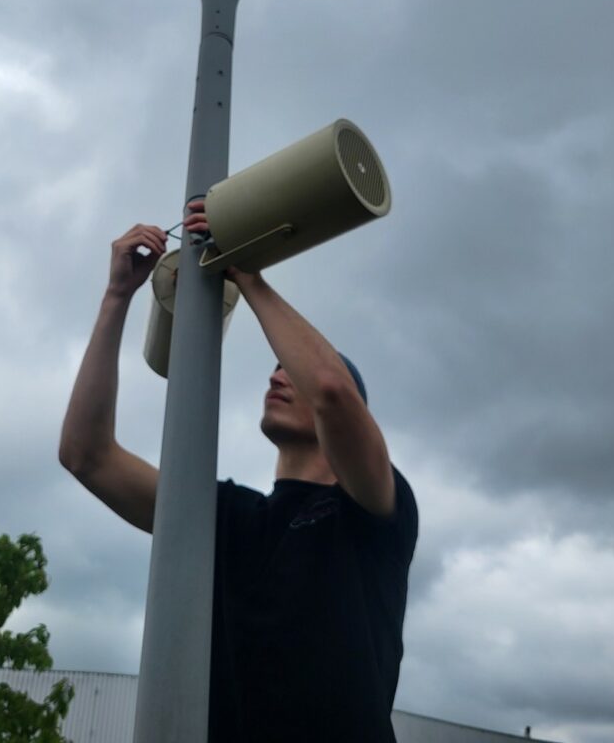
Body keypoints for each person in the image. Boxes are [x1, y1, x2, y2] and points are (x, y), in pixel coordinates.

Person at [59, 202, 418, 743]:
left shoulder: (370, 509)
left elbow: (331, 390)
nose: (279, 373)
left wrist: (246, 275)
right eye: (274, 367)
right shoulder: (225, 515)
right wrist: (117, 298)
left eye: (290, 367)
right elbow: (87, 455)